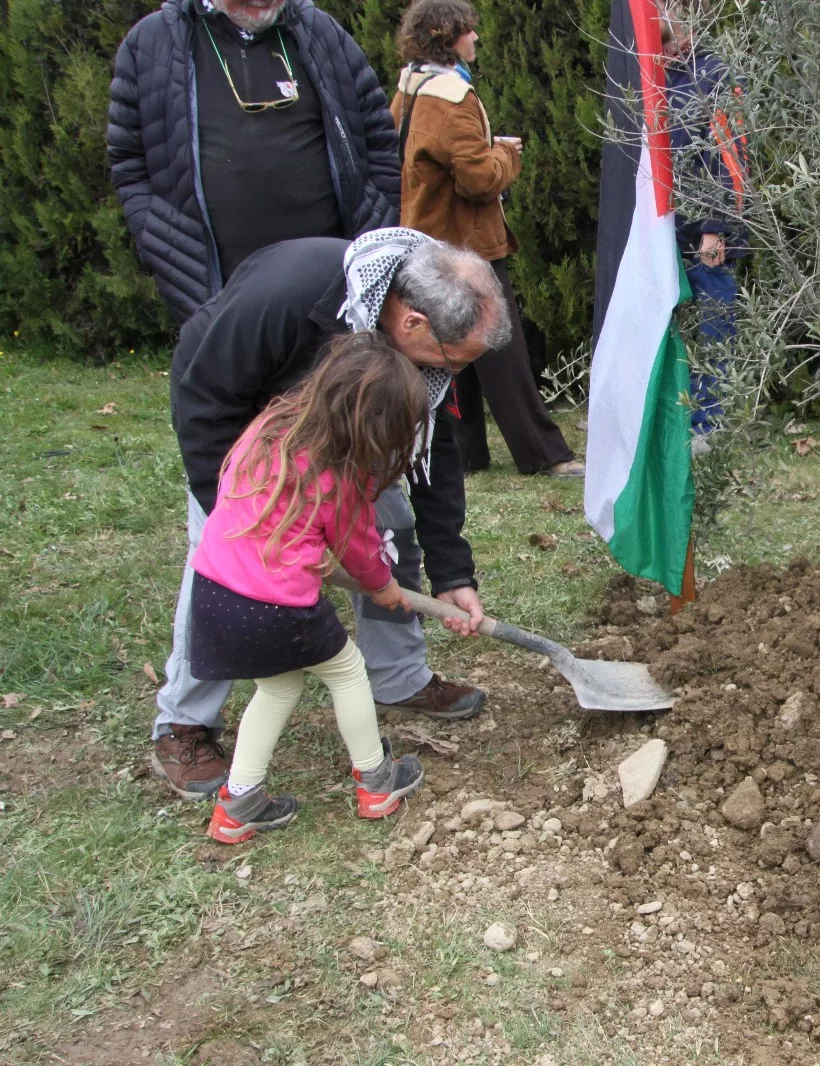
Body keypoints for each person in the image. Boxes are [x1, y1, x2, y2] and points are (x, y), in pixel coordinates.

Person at [153, 227, 505, 801]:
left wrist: (453, 572)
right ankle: (184, 722)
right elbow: (206, 404)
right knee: (222, 564)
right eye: (456, 360)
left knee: (389, 532)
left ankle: (398, 678)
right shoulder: (287, 297)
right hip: (239, 421)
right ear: (412, 324)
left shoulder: (427, 359)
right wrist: (246, 524)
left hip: (344, 427)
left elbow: (431, 450)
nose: (455, 374)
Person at [194, 334, 428, 843]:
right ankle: (376, 781)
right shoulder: (338, 474)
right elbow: (361, 550)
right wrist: (384, 587)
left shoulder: (270, 428)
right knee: (347, 672)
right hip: (276, 606)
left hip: (213, 588)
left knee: (278, 686)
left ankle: (239, 802)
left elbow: (256, 507)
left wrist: (302, 550)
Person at [107, 0, 400, 322]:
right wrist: (160, 240)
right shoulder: (151, 43)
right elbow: (129, 163)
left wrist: (379, 229)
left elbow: (378, 138)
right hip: (220, 300)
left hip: (336, 295)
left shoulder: (321, 32)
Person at [389, 0, 583, 478]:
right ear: (445, 35)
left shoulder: (409, 89)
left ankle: (467, 453)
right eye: (467, 30)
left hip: (428, 240)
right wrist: (505, 155)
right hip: (466, 245)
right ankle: (544, 454)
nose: (475, 37)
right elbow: (478, 180)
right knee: (498, 344)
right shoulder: (451, 99)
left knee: (449, 347)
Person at [661, 9, 747, 438]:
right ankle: (662, 416)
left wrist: (715, 227)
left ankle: (709, 423)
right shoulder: (655, 77)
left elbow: (730, 155)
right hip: (663, 229)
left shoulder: (713, 74)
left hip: (706, 231)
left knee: (716, 327)